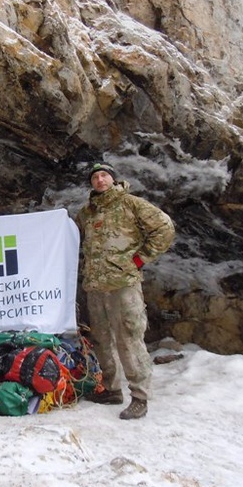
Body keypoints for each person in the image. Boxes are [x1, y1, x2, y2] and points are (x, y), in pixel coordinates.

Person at [75, 163, 175, 420]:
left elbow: (164, 227)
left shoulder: (130, 203)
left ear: (113, 179)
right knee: (101, 339)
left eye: (104, 175)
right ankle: (110, 389)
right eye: (95, 177)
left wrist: (141, 259)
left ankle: (140, 396)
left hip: (123, 284)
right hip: (96, 286)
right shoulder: (86, 213)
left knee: (129, 338)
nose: (100, 180)